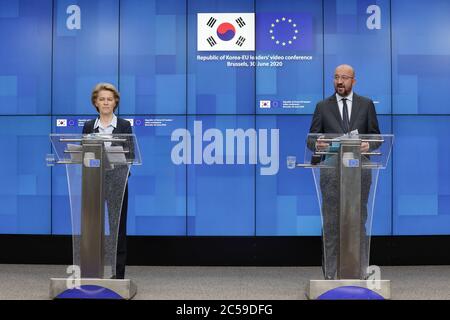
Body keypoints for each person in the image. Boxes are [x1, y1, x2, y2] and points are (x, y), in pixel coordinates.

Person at [309, 64, 381, 280]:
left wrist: (369, 145)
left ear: (353, 81)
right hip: (331, 172)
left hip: (360, 172)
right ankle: (330, 275)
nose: (339, 82)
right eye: (336, 77)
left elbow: (376, 137)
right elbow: (311, 138)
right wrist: (317, 144)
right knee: (331, 222)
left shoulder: (366, 104)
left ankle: (359, 273)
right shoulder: (323, 106)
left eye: (344, 78)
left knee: (358, 221)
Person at [82, 82, 132, 279]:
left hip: (117, 183)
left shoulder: (124, 125)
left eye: (109, 99)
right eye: (101, 99)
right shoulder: (88, 126)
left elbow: (131, 155)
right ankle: (92, 271)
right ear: (95, 102)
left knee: (117, 230)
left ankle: (117, 275)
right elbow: (83, 154)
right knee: (92, 228)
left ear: (115, 102)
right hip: (93, 183)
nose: (105, 102)